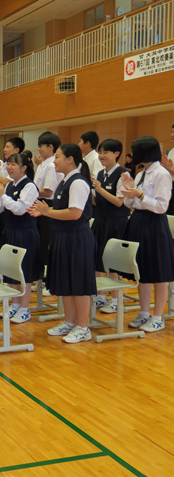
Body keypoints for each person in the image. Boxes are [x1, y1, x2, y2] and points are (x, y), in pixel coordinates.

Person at [28, 143, 97, 344]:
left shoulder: (78, 182)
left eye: (57, 157)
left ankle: (83, 327)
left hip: (77, 239)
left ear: (70, 159)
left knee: (79, 283)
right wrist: (43, 211)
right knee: (66, 282)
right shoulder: (64, 181)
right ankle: (69, 321)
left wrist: (47, 212)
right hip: (62, 236)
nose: (53, 161)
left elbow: (75, 213)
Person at [121, 136, 174, 333]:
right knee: (141, 272)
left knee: (160, 274)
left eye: (135, 151)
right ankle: (144, 312)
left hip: (155, 225)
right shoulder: (142, 173)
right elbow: (132, 204)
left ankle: (158, 316)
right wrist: (128, 190)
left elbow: (161, 206)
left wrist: (140, 195)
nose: (133, 155)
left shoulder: (161, 174)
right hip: (139, 222)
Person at [0, 153, 41, 324]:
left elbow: (20, 209)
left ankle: (25, 308)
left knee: (25, 272)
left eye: (14, 164)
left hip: (25, 232)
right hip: (11, 231)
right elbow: (1, 209)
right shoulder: (10, 185)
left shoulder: (29, 186)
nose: (9, 167)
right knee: (13, 270)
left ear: (24, 167)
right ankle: (15, 304)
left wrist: (2, 195)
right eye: (8, 163)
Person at [90, 139, 129, 314]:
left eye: (105, 152)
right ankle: (101, 295)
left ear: (116, 154)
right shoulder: (99, 174)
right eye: (100, 152)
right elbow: (97, 202)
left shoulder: (123, 174)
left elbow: (119, 202)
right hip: (100, 220)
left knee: (112, 261)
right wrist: (90, 192)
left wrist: (99, 190)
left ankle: (115, 299)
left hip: (116, 222)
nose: (101, 156)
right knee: (97, 258)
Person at [34, 132, 62, 293]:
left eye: (41, 146)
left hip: (48, 205)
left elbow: (48, 191)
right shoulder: (44, 164)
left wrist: (31, 191)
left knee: (47, 243)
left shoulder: (52, 165)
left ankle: (48, 280)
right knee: (41, 243)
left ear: (50, 147)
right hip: (40, 204)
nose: (39, 149)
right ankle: (41, 278)